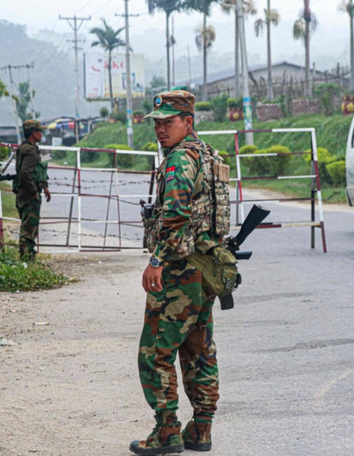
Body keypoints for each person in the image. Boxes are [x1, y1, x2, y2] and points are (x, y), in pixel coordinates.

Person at [131, 90, 231, 455]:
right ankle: (200, 430)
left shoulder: (178, 161)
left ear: (188, 122)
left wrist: (156, 260)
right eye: (157, 123)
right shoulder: (205, 155)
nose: (160, 129)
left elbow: (175, 217)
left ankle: (167, 431)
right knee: (199, 350)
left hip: (180, 271)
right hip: (207, 269)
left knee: (155, 352)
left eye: (168, 122)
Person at [14, 119, 51, 261]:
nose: (41, 134)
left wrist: (44, 186)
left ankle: (27, 258)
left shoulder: (27, 147)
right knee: (29, 230)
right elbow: (25, 174)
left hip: (25, 194)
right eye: (39, 131)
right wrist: (34, 192)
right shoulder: (30, 151)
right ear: (33, 133)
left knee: (28, 228)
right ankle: (27, 260)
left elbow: (36, 171)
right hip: (29, 196)